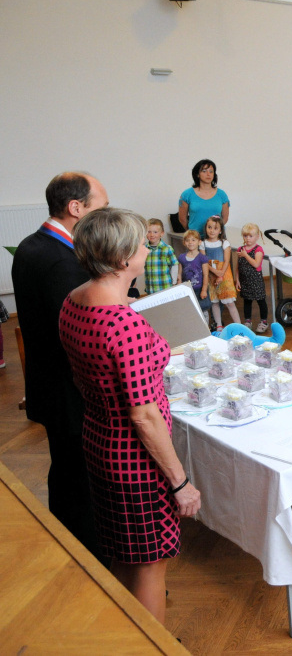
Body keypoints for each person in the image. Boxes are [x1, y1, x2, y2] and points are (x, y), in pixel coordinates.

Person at [59, 207, 201, 624]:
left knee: (124, 554)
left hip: (98, 439)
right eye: (141, 244)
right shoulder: (124, 326)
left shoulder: (74, 301)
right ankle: (150, 646)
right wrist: (180, 483)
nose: (146, 249)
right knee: (151, 565)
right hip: (135, 460)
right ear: (123, 260)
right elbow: (144, 417)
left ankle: (122, 636)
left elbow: (87, 372)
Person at [11, 171, 109, 562]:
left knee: (66, 473)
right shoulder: (62, 261)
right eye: (101, 206)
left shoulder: (31, 245)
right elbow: (79, 335)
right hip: (70, 391)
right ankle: (91, 563)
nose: (105, 214)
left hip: (47, 383)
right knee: (82, 481)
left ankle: (66, 545)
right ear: (76, 208)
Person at [200, 215, 240, 331]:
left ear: (220, 230)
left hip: (224, 275)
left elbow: (227, 261)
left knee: (229, 302)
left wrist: (221, 274)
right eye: (209, 227)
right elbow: (204, 261)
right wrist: (215, 272)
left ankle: (239, 326)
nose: (212, 231)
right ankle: (219, 326)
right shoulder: (203, 244)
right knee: (214, 302)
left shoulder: (224, 243)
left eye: (215, 228)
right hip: (210, 275)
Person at [178, 158, 229, 236]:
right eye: (204, 171)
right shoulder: (187, 194)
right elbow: (182, 219)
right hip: (195, 238)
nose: (208, 174)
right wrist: (192, 234)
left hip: (216, 238)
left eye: (211, 171)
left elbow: (225, 218)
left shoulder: (222, 194)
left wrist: (213, 232)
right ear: (197, 174)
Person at [234, 222, 268, 333]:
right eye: (245, 236)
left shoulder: (258, 249)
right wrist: (237, 279)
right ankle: (247, 321)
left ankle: (264, 321)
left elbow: (256, 264)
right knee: (247, 301)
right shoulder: (240, 249)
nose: (248, 238)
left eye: (251, 236)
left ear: (257, 237)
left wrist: (246, 255)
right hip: (245, 280)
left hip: (256, 281)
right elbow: (238, 266)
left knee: (261, 301)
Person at [177, 229, 211, 323]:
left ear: (199, 242)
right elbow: (179, 273)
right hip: (187, 289)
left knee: (202, 309)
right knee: (189, 309)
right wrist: (179, 285)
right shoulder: (182, 257)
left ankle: (205, 327)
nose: (190, 242)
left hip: (199, 289)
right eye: (187, 240)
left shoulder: (202, 258)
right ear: (184, 243)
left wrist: (204, 290)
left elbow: (205, 275)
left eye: (193, 240)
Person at [143, 218, 178, 295]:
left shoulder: (167, 249)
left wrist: (174, 282)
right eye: (149, 232)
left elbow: (174, 265)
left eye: (155, 232)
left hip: (165, 286)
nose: (152, 235)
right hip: (150, 287)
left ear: (161, 233)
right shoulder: (144, 249)